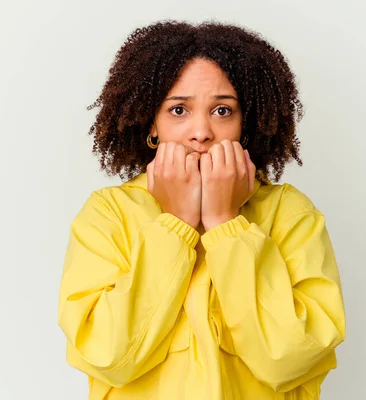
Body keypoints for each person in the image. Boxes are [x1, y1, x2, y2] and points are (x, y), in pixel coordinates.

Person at [57, 20, 346, 400]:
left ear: (246, 123)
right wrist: (176, 224)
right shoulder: (109, 214)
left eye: (222, 111)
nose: (201, 132)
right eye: (178, 110)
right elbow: (107, 356)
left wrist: (226, 223)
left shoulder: (289, 213)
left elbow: (290, 359)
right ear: (152, 124)